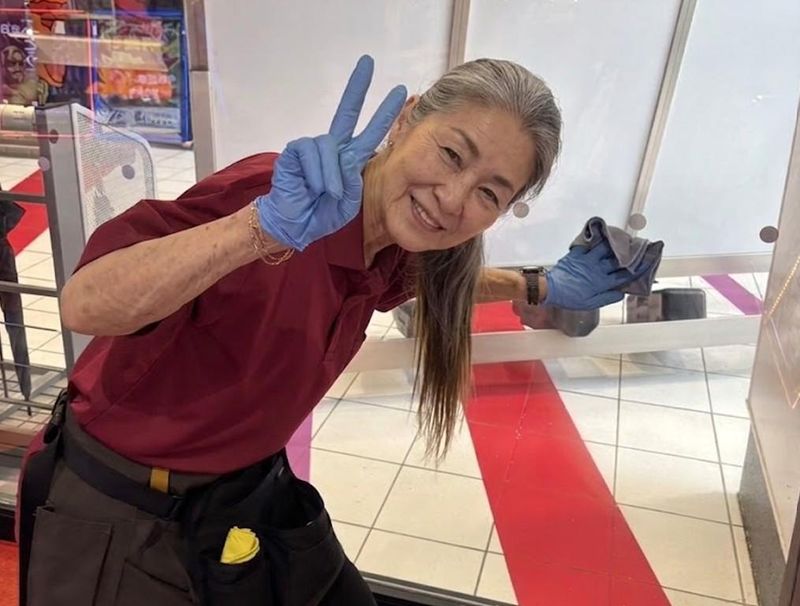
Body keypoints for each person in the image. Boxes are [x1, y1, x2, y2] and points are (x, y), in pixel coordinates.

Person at [18, 55, 647, 606]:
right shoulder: (276, 197)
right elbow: (85, 305)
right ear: (408, 118)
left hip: (242, 494)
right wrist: (260, 229)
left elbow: (436, 283)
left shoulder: (394, 242)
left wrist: (538, 286)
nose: (455, 199)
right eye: (452, 154)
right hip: (124, 509)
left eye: (490, 193)